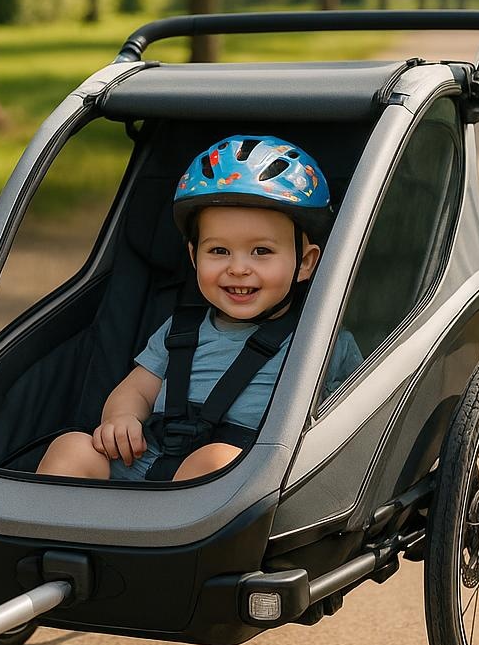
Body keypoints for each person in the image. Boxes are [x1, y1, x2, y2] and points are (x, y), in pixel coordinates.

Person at [37, 136, 362, 483]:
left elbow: (353, 424)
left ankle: (158, 534)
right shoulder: (180, 329)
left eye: (261, 252)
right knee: (72, 446)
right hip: (147, 461)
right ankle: (46, 534)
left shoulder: (325, 344)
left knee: (216, 460)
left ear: (306, 263)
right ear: (194, 257)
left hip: (239, 481)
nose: (238, 268)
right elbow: (137, 388)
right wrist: (122, 418)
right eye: (219, 251)